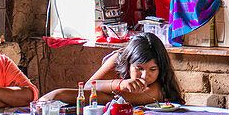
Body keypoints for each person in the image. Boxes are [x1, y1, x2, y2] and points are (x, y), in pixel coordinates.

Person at [41, 32, 183, 107]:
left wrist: (60, 94)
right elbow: (90, 86)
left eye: (152, 69)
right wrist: (120, 84)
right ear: (128, 63)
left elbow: (108, 98)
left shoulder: (160, 86)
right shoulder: (118, 60)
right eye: (139, 68)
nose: (145, 75)